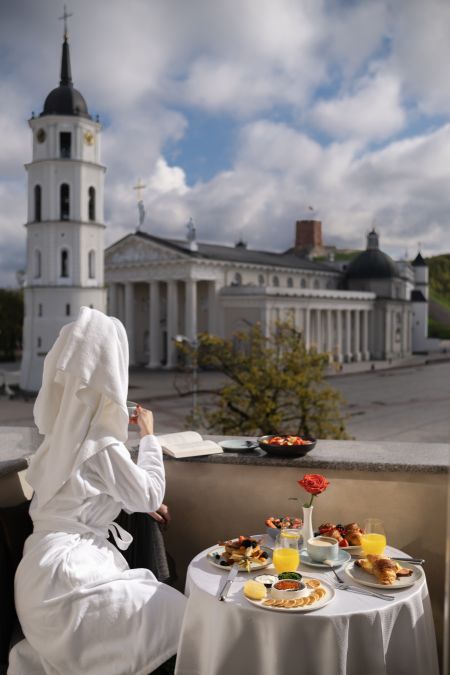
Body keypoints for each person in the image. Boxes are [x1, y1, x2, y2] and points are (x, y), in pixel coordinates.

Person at [8, 307, 187, 675]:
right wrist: (149, 435)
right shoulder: (102, 444)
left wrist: (127, 499)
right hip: (70, 580)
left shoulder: (57, 437)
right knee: (181, 614)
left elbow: (82, 493)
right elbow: (150, 494)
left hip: (37, 579)